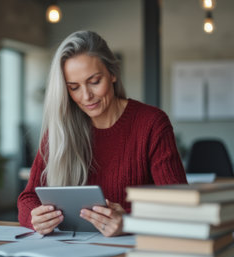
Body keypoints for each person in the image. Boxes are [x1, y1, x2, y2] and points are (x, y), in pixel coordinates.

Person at [17, 30, 187, 237]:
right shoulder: (61, 129)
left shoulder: (151, 123)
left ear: (113, 73)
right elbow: (28, 198)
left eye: (95, 81)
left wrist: (130, 222)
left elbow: (181, 205)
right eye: (74, 87)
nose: (86, 96)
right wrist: (35, 218)